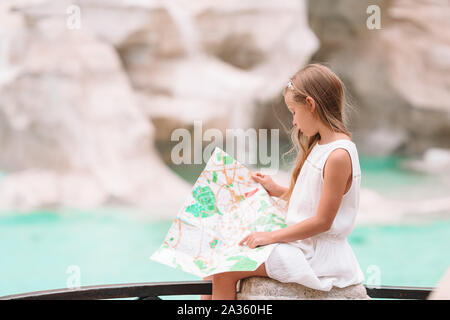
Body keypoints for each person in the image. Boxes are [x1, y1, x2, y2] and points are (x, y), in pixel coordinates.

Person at [201, 63, 365, 300]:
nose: (294, 122)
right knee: (210, 265)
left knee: (223, 271)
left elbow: (323, 221)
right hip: (300, 245)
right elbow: (313, 200)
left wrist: (269, 237)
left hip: (315, 255)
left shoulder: (339, 154)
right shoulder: (320, 145)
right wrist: (277, 190)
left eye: (293, 112)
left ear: (310, 104)